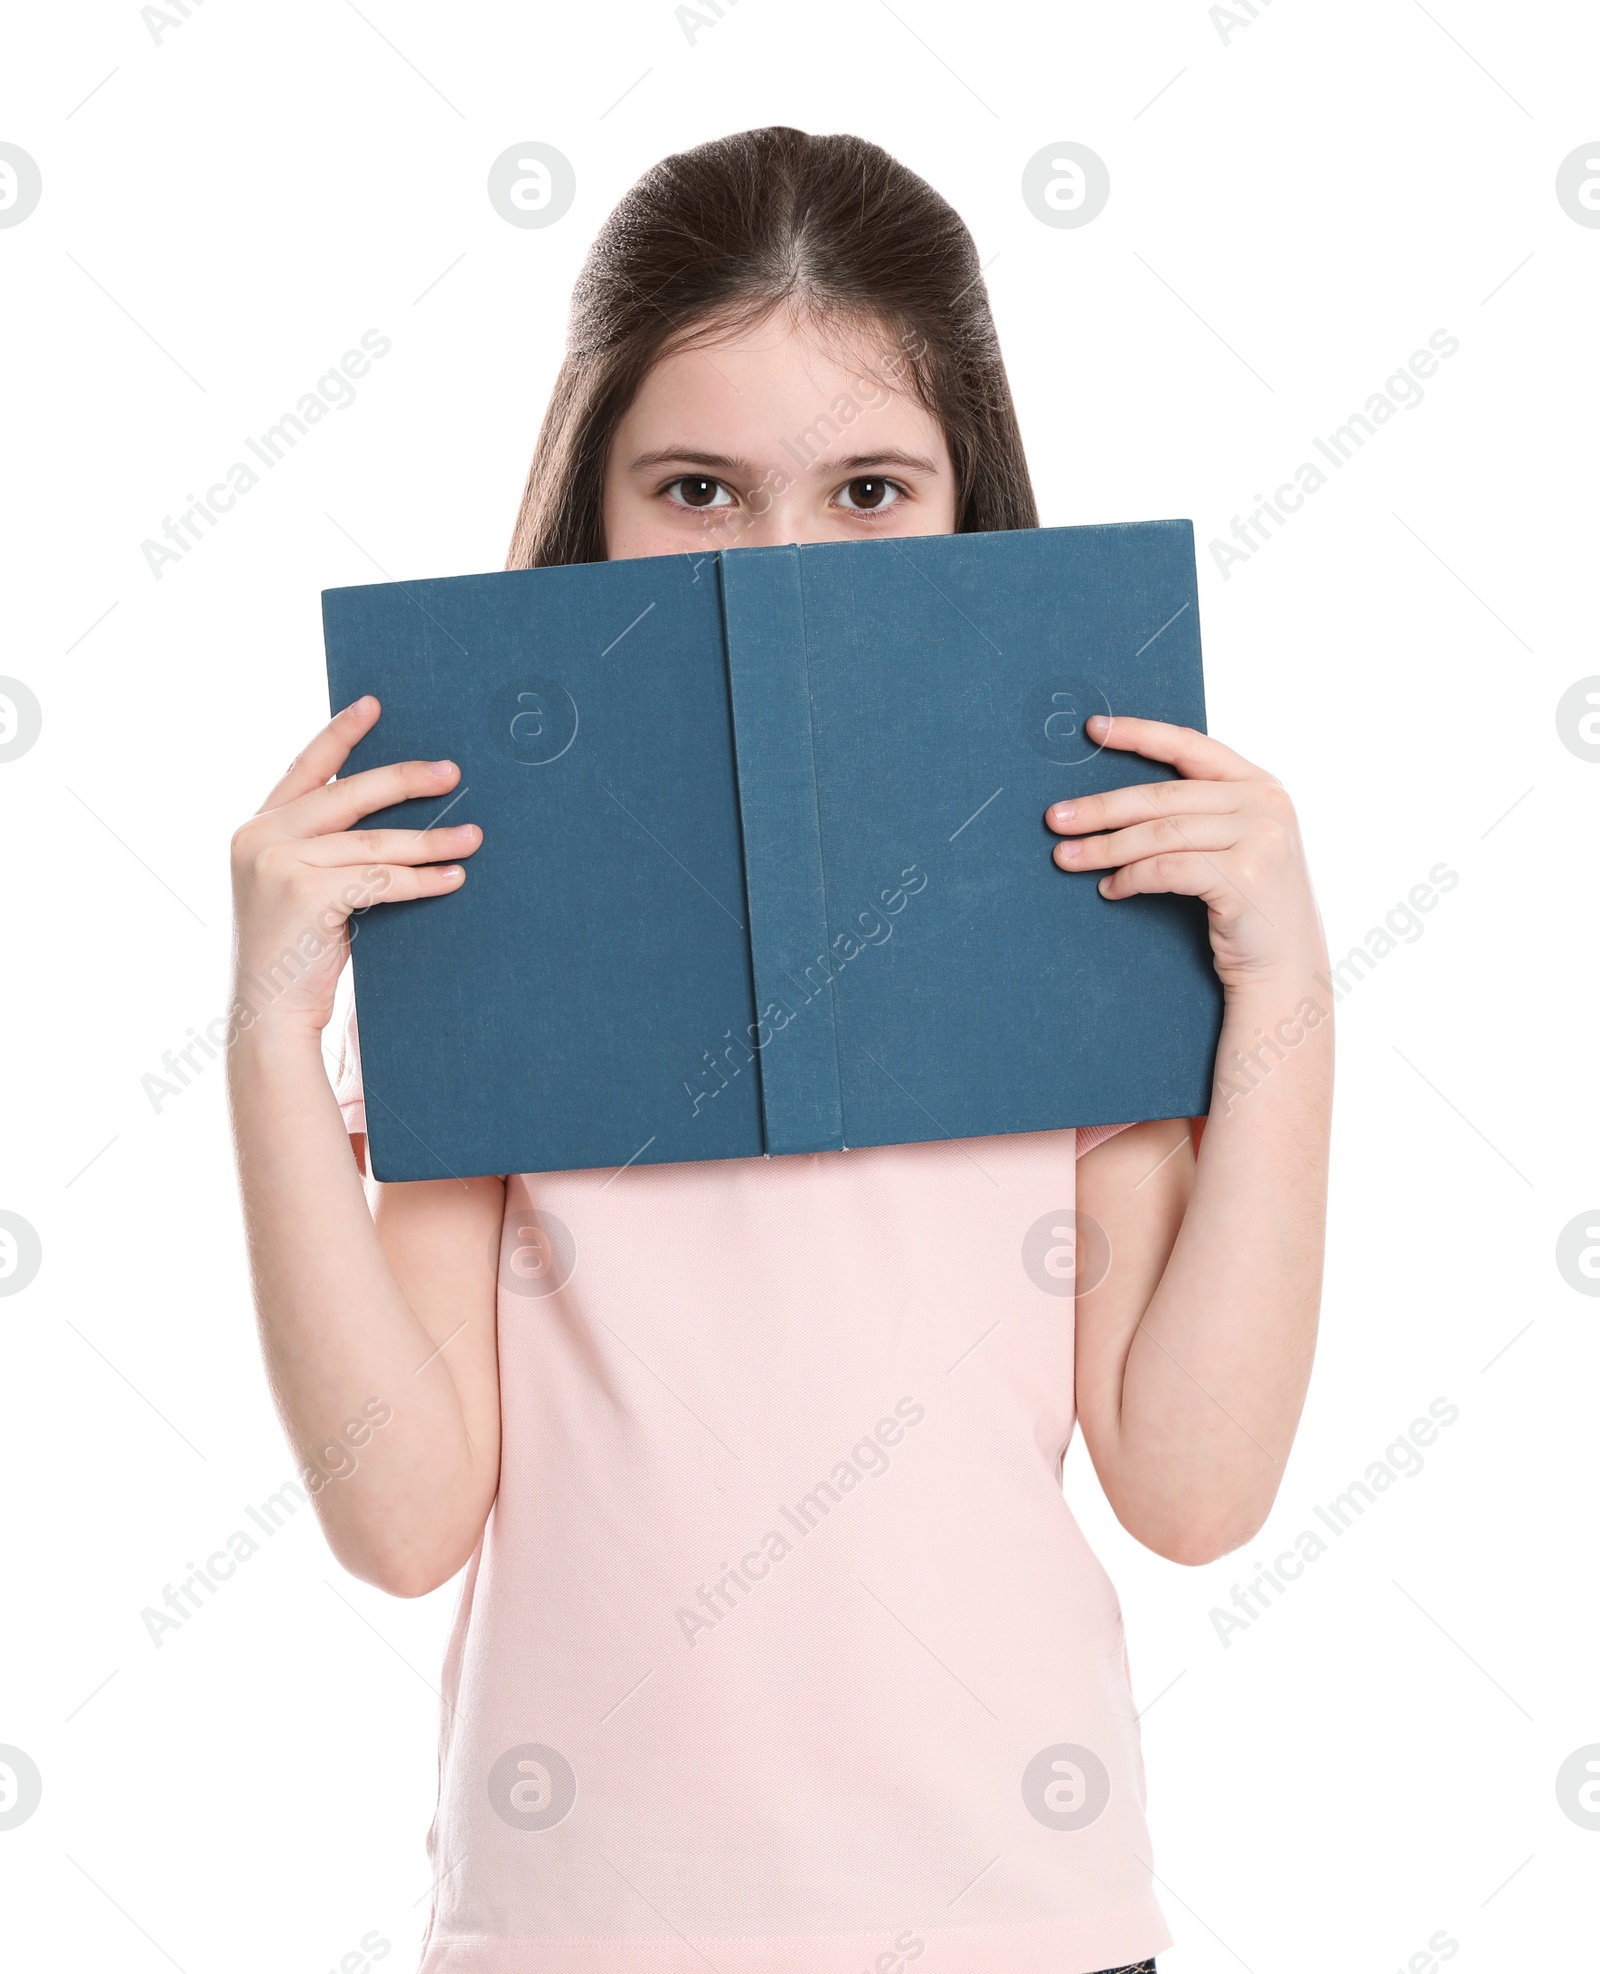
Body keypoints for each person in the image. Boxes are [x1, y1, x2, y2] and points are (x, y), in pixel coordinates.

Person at [227, 126, 1333, 1974]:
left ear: (972, 506)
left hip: (1024, 1928)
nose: (784, 566)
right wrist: (270, 1041)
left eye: (873, 489)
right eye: (702, 490)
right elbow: (403, 1515)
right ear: (598, 502)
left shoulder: (1077, 894)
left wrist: (1286, 991)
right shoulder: (495, 904)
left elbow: (1195, 1486)